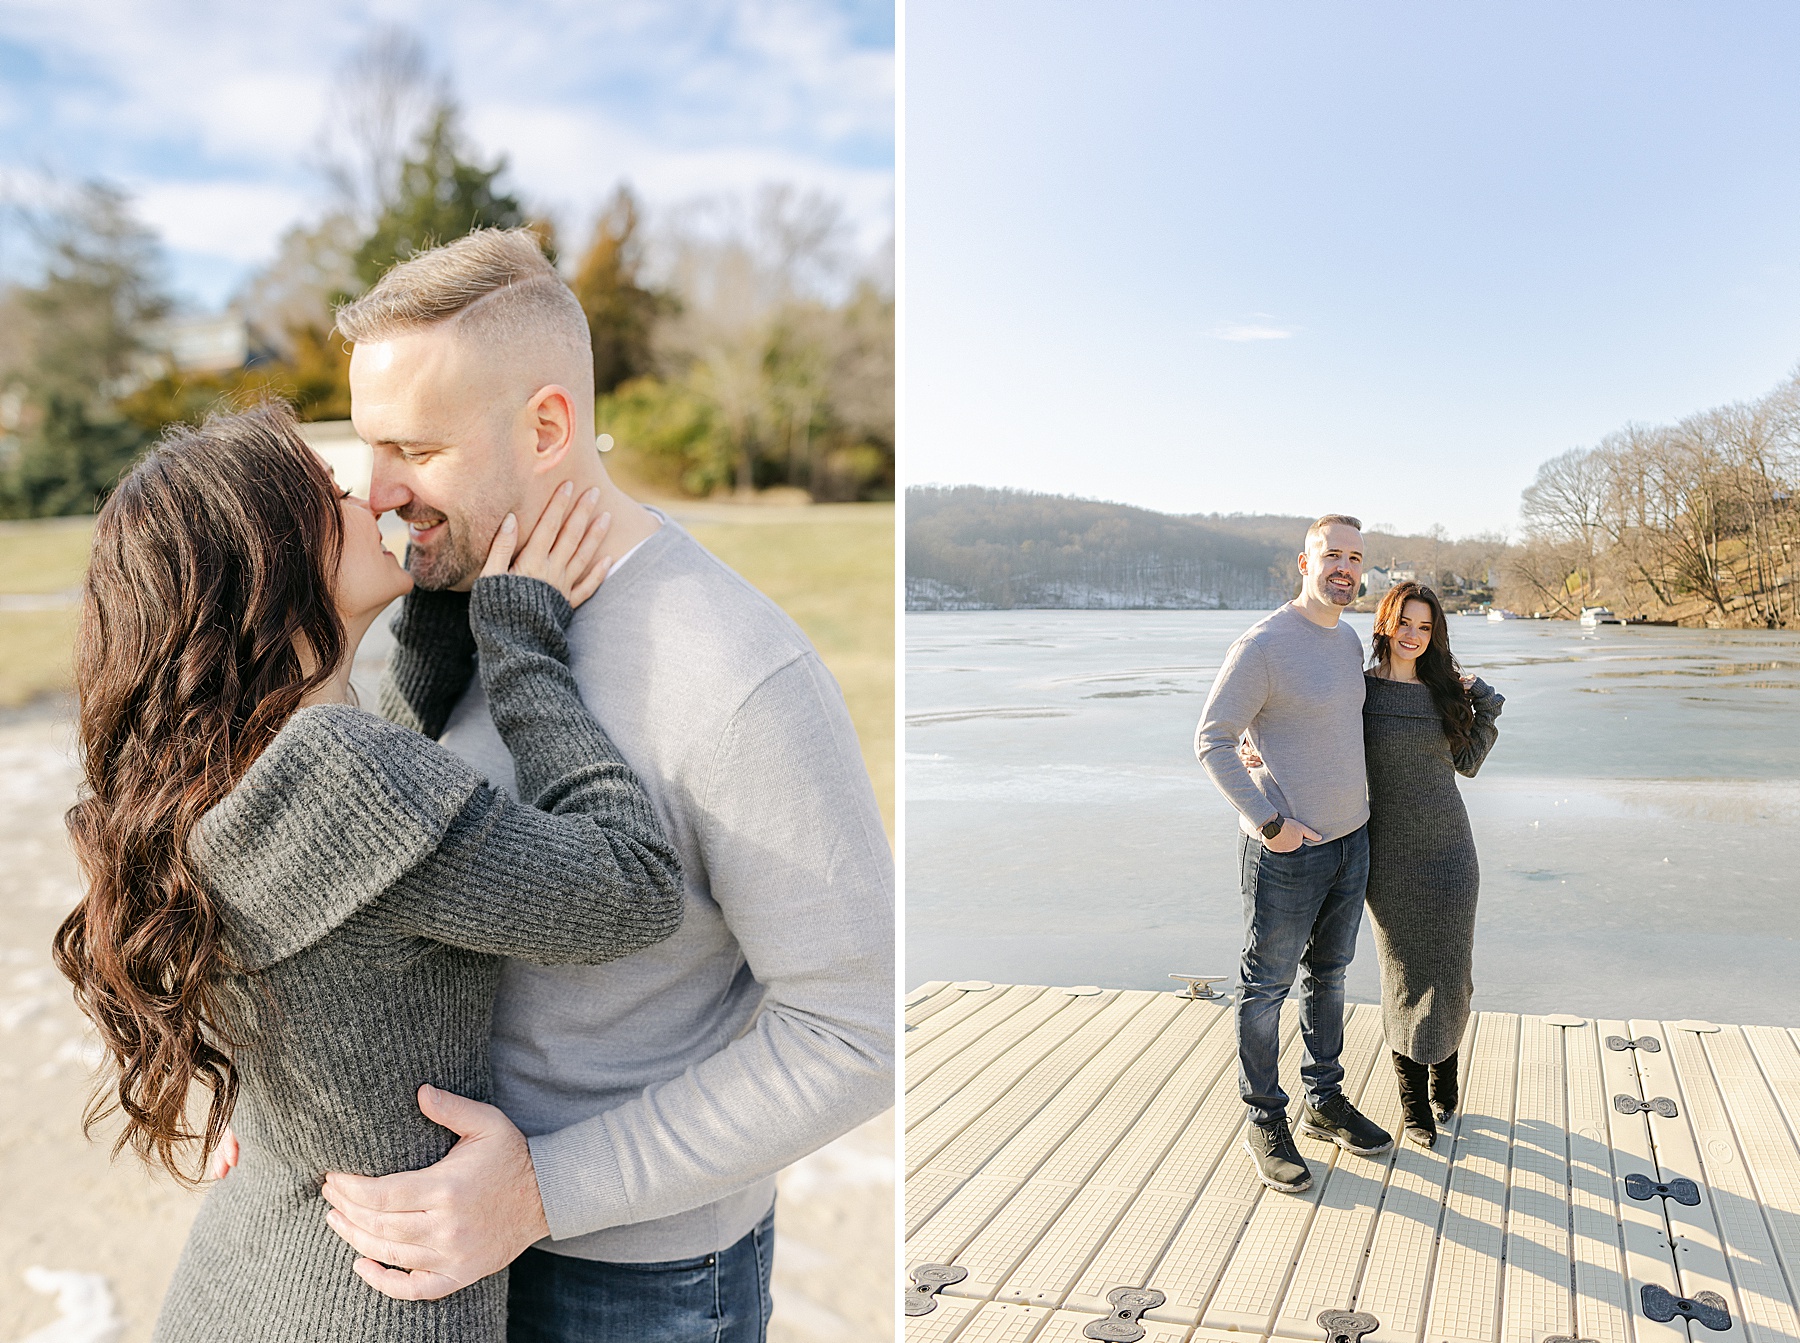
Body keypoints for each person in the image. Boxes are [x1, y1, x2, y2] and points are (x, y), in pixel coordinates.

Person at [285, 228, 894, 1341]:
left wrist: (543, 1190)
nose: (377, 491)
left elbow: (857, 1033)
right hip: (440, 1264)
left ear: (548, 425)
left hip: (631, 1283)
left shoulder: (735, 670)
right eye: (370, 446)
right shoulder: (448, 601)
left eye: (414, 447)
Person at [53, 404, 687, 1342]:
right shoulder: (339, 769)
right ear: (277, 559)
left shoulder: (207, 770)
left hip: (253, 1276)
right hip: (375, 1306)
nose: (369, 493)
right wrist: (521, 652)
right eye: (330, 492)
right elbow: (636, 887)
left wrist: (434, 610)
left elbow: (374, 849)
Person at [1194, 514, 1393, 1195]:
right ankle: (1264, 1117)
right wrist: (1269, 820)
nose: (1344, 566)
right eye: (1331, 554)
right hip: (1288, 851)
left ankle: (1324, 1102)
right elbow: (1212, 739)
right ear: (1302, 563)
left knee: (1329, 977)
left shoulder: (1344, 642)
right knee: (1265, 988)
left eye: (1355, 556)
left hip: (1350, 842)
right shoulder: (1263, 645)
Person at [1359, 581, 1502, 1146]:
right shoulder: (1361, 691)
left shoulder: (1444, 694)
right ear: (1386, 626)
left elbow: (1468, 763)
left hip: (1450, 853)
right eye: (1405, 624)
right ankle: (1413, 1105)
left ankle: (1446, 1077)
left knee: (1451, 975)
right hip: (1389, 856)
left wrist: (1485, 702)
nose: (1414, 635)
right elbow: (1316, 733)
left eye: (1425, 627)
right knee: (1403, 977)